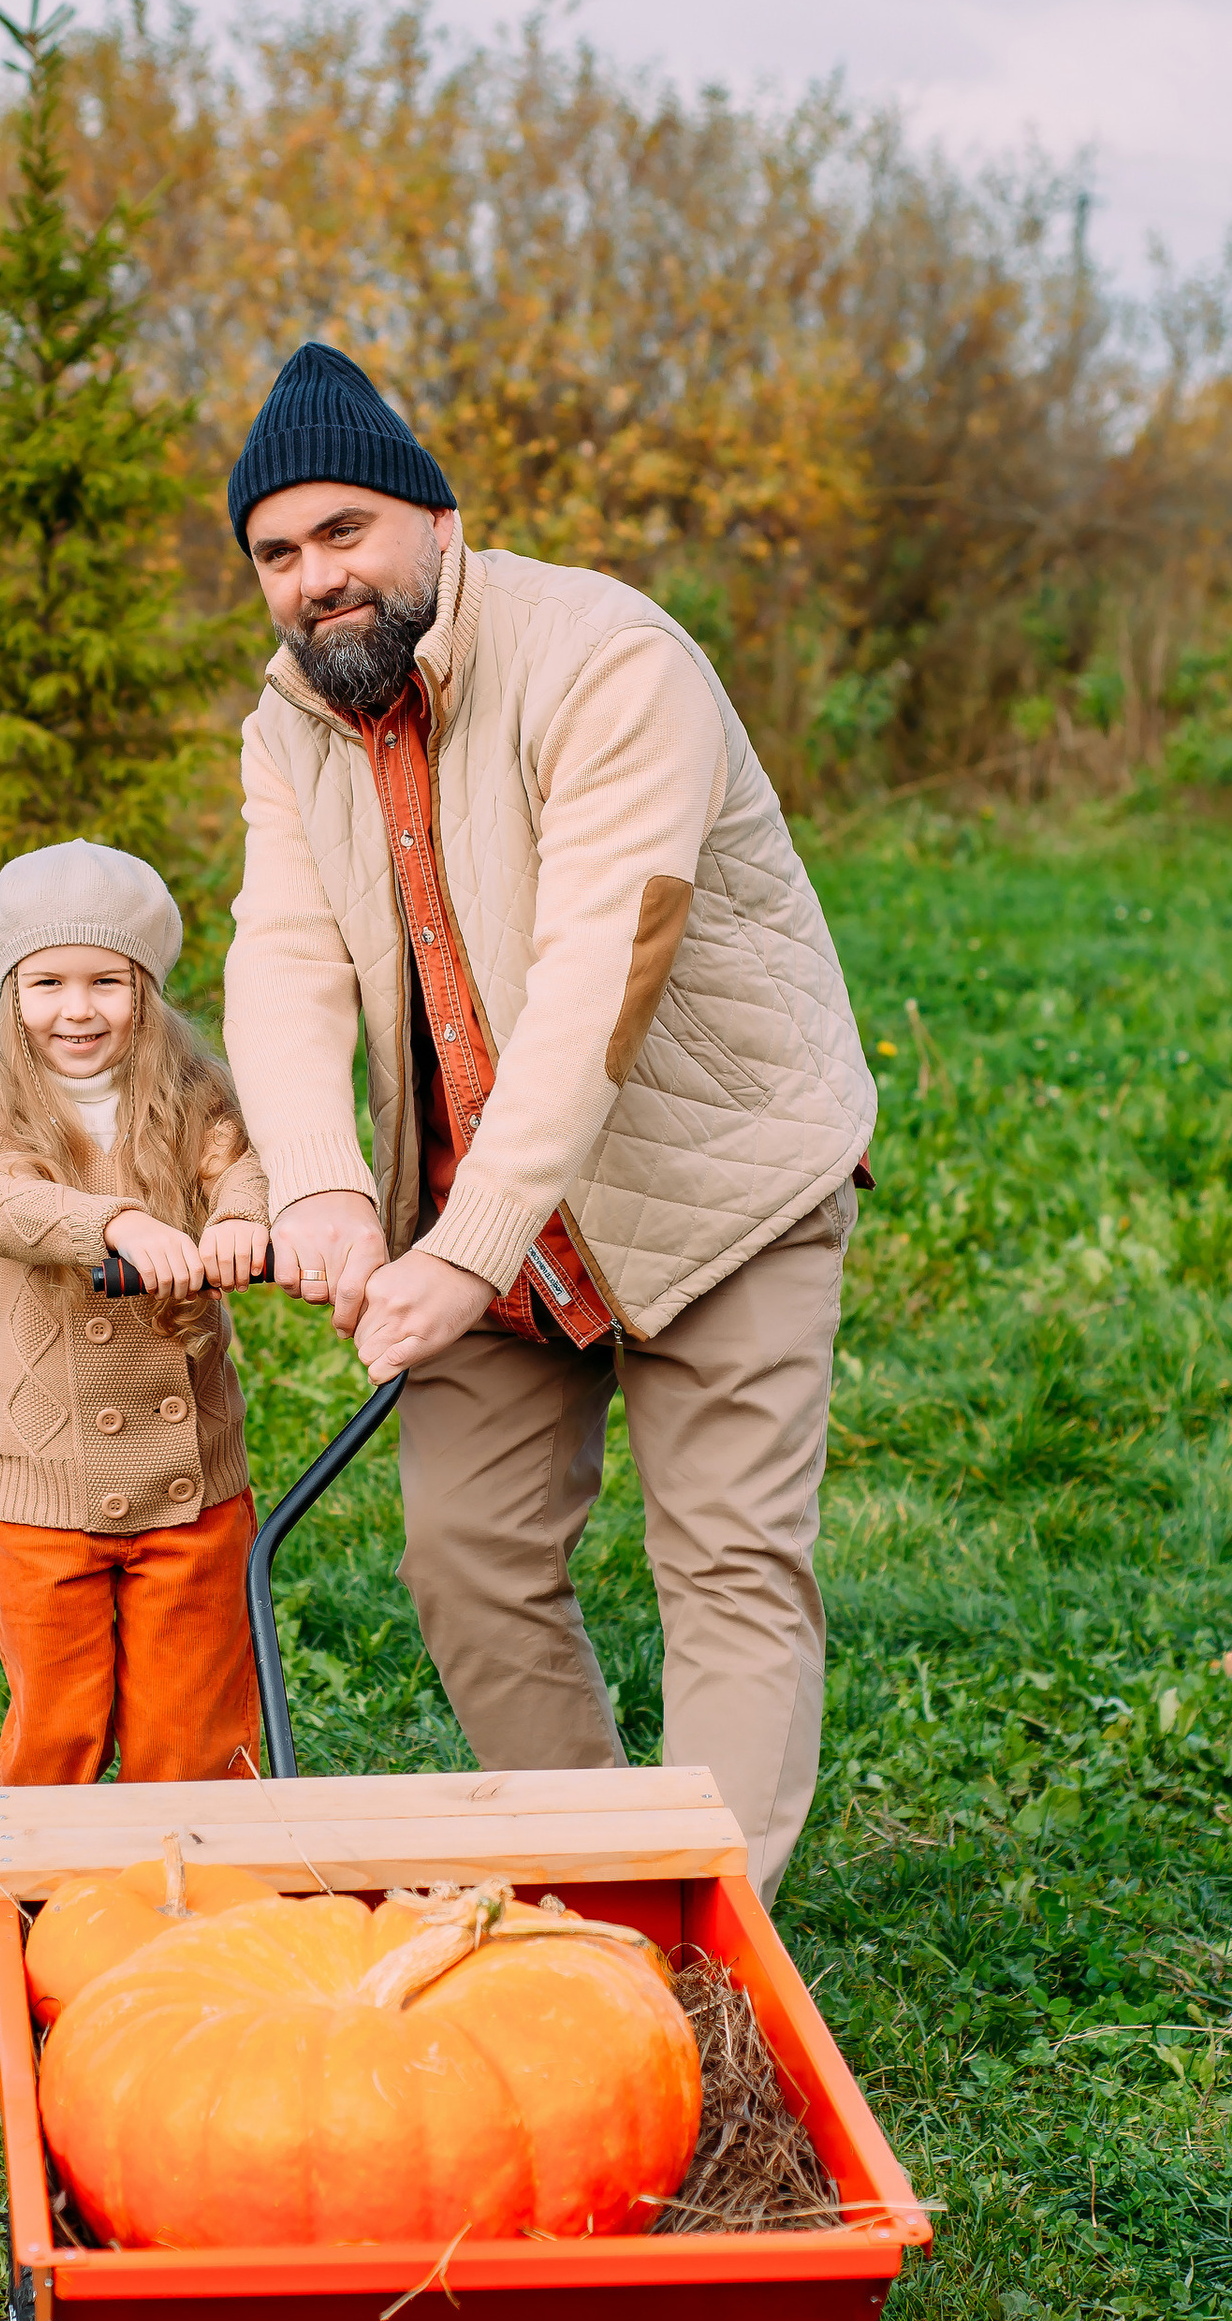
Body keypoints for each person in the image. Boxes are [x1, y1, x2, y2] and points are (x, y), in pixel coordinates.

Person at [219, 344, 876, 1895]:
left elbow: (599, 978)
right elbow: (286, 951)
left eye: (345, 530)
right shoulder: (292, 720)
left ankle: (711, 1952)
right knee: (467, 1558)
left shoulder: (607, 658)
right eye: (277, 552)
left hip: (718, 1178)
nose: (317, 578)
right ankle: (604, 1895)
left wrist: (465, 1248)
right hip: (475, 1205)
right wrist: (318, 1185)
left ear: (440, 520)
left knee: (723, 1561)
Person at [0, 840, 271, 1788]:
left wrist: (241, 1219)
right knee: (58, 1731)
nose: (77, 1009)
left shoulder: (194, 1101)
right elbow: (6, 1203)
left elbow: (246, 1167)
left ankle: (201, 1910)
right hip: (47, 1486)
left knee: (197, 1727)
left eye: (106, 982)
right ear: (11, 995)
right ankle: (47, 1914)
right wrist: (116, 1221)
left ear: (145, 991)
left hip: (192, 1482)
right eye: (48, 983)